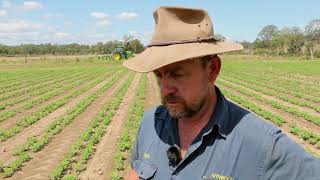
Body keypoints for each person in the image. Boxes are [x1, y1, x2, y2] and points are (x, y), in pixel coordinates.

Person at [122, 6, 320, 180]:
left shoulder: (263, 145)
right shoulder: (151, 124)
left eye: (178, 74)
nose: (165, 89)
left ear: (212, 69)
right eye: (159, 75)